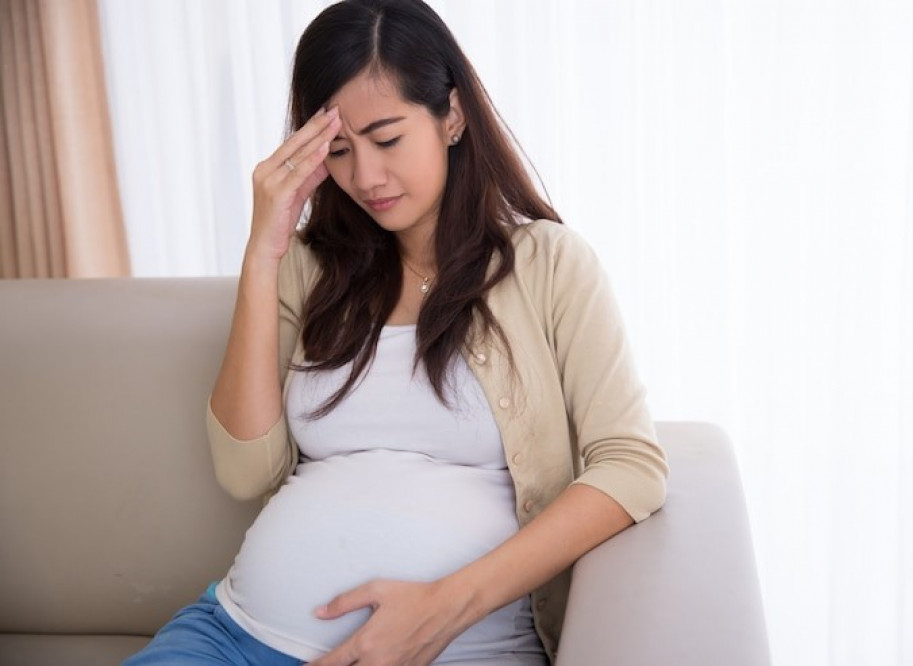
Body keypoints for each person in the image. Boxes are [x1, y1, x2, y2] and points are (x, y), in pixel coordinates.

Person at [124, 0, 667, 664]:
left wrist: (446, 606)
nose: (365, 178)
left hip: (452, 650)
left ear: (452, 115)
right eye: (341, 152)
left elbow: (631, 466)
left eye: (387, 139)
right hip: (234, 637)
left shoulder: (549, 264)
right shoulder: (307, 268)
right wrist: (263, 255)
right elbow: (244, 472)